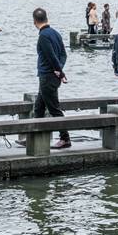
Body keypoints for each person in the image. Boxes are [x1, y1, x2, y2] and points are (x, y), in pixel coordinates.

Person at [32, 8, 71, 149]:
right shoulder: (56, 33)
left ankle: (65, 138)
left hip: (47, 77)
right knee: (39, 107)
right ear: (46, 18)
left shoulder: (43, 36)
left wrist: (59, 72)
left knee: (54, 109)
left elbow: (51, 56)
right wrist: (59, 69)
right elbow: (63, 55)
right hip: (50, 75)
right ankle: (35, 136)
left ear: (34, 21)